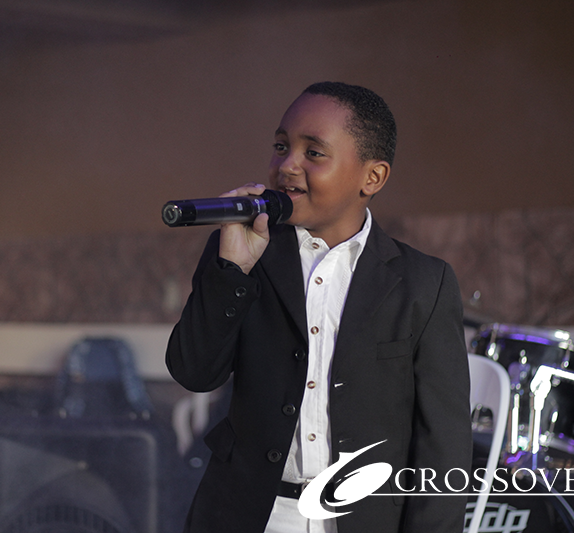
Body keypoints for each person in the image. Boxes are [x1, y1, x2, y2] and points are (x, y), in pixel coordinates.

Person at [166, 81, 471, 533]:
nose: (287, 165)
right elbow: (194, 372)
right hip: (251, 514)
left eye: (313, 153)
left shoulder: (423, 281)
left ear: (372, 177)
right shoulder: (242, 253)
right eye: (281, 147)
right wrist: (232, 271)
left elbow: (443, 443)